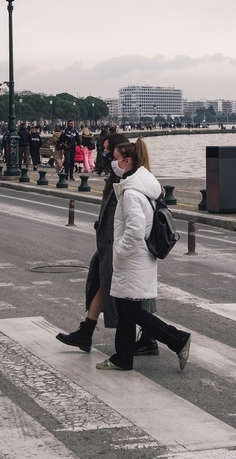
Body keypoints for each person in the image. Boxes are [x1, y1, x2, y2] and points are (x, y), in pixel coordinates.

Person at [55, 134, 158, 355]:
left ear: (124, 158)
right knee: (103, 285)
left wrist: (119, 249)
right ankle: (87, 331)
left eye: (109, 152)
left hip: (118, 248)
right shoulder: (119, 179)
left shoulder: (128, 186)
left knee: (130, 301)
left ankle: (155, 339)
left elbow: (132, 225)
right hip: (110, 245)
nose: (105, 156)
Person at [95, 139, 192, 372]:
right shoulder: (142, 187)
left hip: (132, 259)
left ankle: (177, 339)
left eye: (115, 158)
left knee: (130, 310)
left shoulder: (131, 193)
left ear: (127, 161)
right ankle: (123, 358)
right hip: (139, 259)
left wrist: (120, 250)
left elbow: (136, 229)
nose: (112, 163)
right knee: (128, 311)